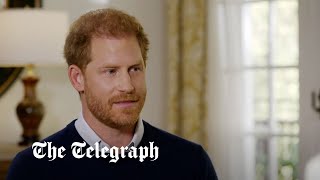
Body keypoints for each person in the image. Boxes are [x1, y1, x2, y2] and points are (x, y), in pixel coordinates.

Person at [7, 8, 218, 179]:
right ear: (77, 78)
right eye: (111, 71)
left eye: (135, 69)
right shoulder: (33, 168)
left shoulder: (191, 162)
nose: (127, 86)